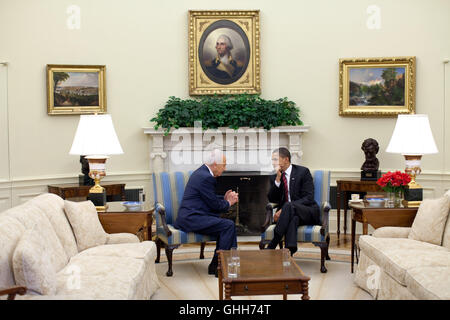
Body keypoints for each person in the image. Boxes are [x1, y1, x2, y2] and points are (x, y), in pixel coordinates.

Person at [174, 149, 239, 276]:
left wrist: (224, 199)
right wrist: (229, 203)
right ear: (215, 164)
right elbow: (213, 204)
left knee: (227, 226)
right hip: (191, 218)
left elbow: (208, 198)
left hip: (193, 216)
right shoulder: (206, 177)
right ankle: (220, 266)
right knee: (228, 226)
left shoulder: (202, 173)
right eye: (224, 165)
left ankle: (220, 266)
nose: (225, 168)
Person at [266, 147, 320, 255]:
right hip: (291, 215)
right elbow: (272, 199)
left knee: (288, 206)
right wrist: (277, 181)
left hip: (307, 211)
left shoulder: (303, 172)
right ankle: (290, 249)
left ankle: (274, 241)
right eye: (272, 160)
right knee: (293, 218)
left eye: (275, 159)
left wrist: (285, 209)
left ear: (286, 159)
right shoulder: (275, 177)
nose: (273, 163)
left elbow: (309, 197)